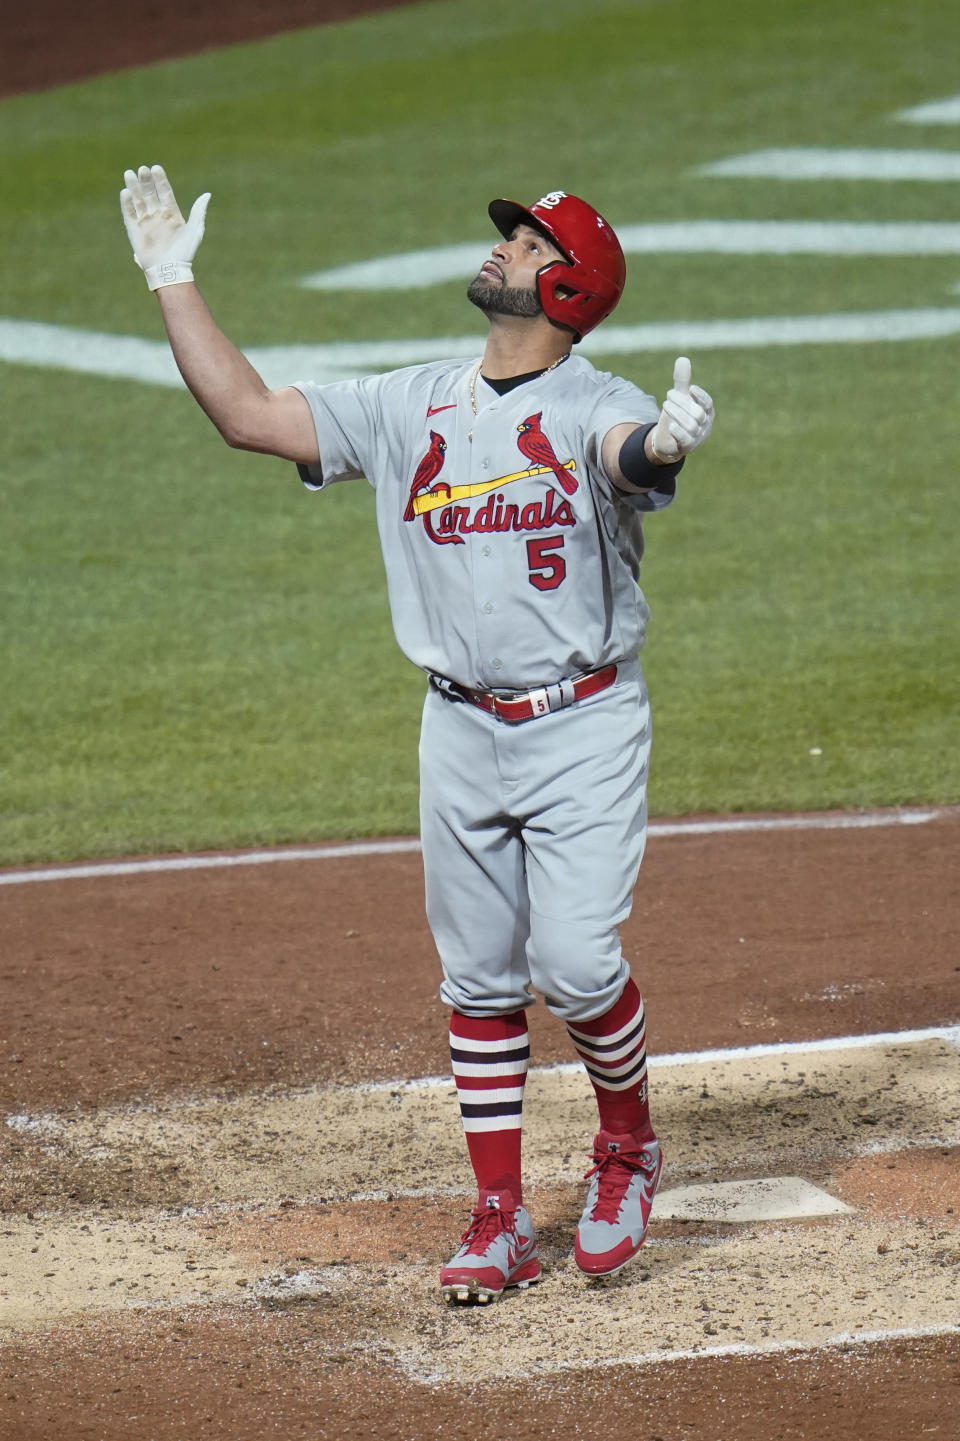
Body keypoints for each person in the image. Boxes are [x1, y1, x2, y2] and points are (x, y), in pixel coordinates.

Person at [119, 167, 715, 1305]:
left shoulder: (594, 401)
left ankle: (629, 1144)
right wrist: (170, 275)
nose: (503, 248)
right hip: (457, 728)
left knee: (578, 964)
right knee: (480, 980)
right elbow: (246, 416)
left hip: (581, 724)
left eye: (530, 242)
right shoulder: (412, 402)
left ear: (570, 286)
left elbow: (627, 456)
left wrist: (670, 447)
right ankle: (499, 1214)